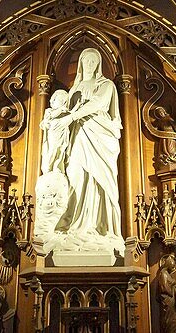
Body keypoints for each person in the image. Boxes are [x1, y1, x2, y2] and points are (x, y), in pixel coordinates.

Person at [47, 48, 124, 256]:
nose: (89, 65)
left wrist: (71, 117)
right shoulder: (75, 89)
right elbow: (64, 112)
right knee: (76, 176)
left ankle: (99, 228)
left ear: (98, 65)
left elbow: (98, 104)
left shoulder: (106, 85)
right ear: (81, 64)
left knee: (99, 181)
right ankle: (75, 225)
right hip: (79, 138)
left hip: (100, 139)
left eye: (93, 61)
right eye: (86, 61)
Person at [39, 90, 71, 174]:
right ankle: (48, 168)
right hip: (53, 135)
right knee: (52, 150)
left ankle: (57, 167)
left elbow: (71, 115)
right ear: (53, 100)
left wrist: (76, 107)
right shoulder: (49, 111)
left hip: (62, 135)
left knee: (61, 151)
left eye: (64, 101)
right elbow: (50, 117)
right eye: (60, 100)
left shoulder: (65, 114)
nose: (62, 103)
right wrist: (60, 110)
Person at [157, 253, 176, 333]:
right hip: (168, 300)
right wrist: (173, 284)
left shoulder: (166, 273)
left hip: (171, 300)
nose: (172, 268)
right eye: (172, 266)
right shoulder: (163, 273)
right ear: (168, 264)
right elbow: (165, 288)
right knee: (171, 320)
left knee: (175, 319)